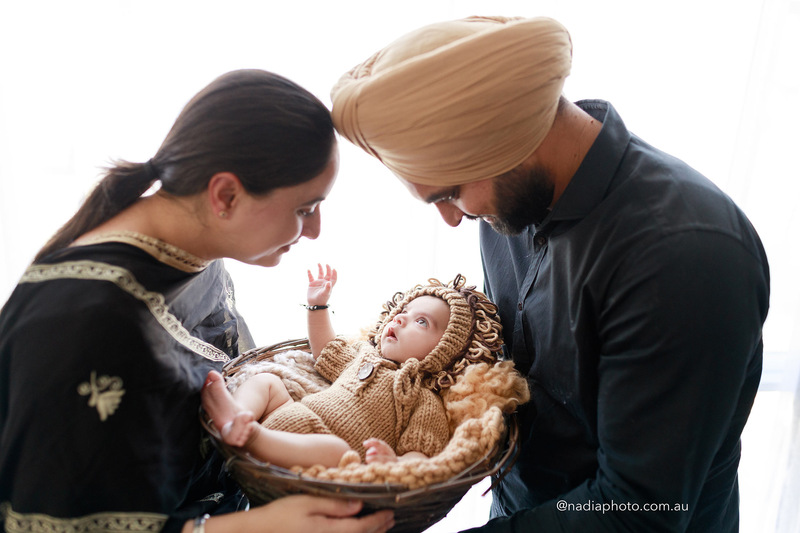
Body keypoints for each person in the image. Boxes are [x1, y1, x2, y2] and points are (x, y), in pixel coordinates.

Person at [329, 16, 770, 533]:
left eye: (449, 193)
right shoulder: (511, 200)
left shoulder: (685, 254)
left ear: (505, 138)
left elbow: (640, 509)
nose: (453, 218)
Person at [0, 70, 395, 533]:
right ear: (225, 195)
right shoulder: (82, 323)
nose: (314, 231)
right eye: (305, 209)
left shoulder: (197, 253)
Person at [201, 264, 505, 469]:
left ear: (443, 351)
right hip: (289, 415)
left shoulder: (424, 400)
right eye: (404, 311)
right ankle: (238, 414)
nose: (400, 318)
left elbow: (421, 455)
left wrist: (394, 464)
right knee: (268, 381)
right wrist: (318, 307)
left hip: (320, 453)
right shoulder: (363, 354)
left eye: (421, 322)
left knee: (338, 452)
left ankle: (250, 436)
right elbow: (324, 350)